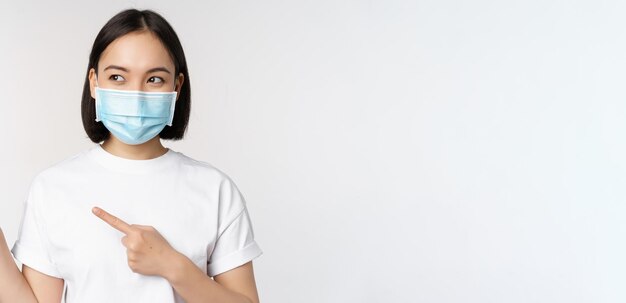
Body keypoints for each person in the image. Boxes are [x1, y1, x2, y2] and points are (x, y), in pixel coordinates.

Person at [0, 8, 263, 303]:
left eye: (154, 80)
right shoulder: (52, 187)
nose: (136, 95)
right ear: (94, 83)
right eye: (117, 77)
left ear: (176, 87)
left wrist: (174, 267)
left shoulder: (215, 190)